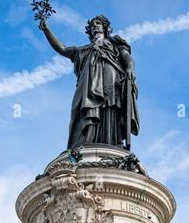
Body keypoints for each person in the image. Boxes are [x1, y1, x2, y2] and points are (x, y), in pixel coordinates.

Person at [39, 14, 139, 149]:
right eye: (92, 25)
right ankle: (85, 143)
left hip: (110, 78)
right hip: (86, 85)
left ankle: (111, 142)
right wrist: (46, 30)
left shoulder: (115, 44)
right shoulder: (82, 50)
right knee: (83, 110)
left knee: (109, 107)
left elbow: (127, 58)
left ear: (105, 27)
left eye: (98, 23)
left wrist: (130, 69)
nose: (94, 26)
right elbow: (61, 48)